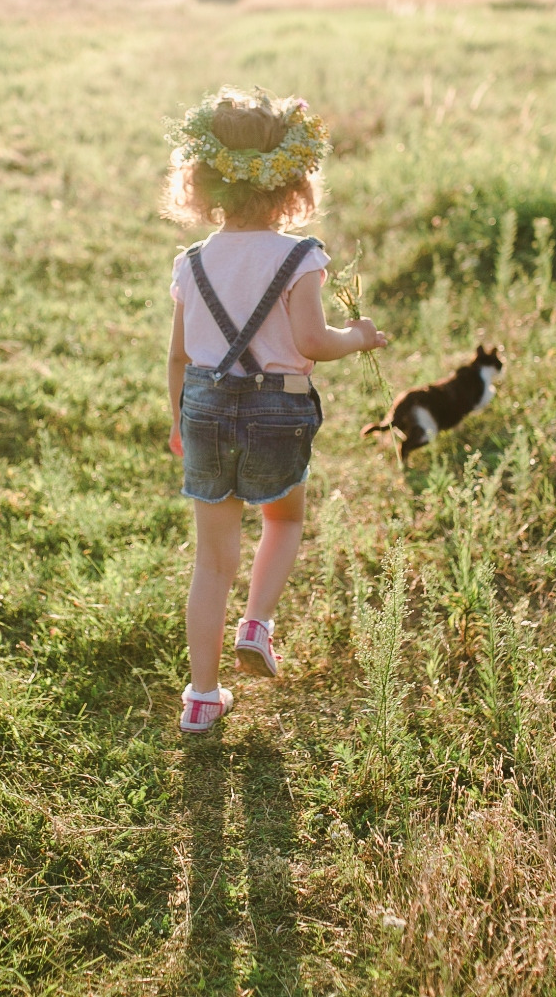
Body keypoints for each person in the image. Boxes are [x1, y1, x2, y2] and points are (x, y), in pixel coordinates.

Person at [162, 87, 389, 734]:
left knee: (211, 561)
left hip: (203, 405)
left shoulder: (192, 262)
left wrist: (177, 419)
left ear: (206, 184)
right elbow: (313, 342)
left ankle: (202, 697)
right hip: (276, 408)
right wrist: (360, 337)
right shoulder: (299, 257)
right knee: (283, 520)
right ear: (293, 186)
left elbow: (178, 358)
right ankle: (257, 623)